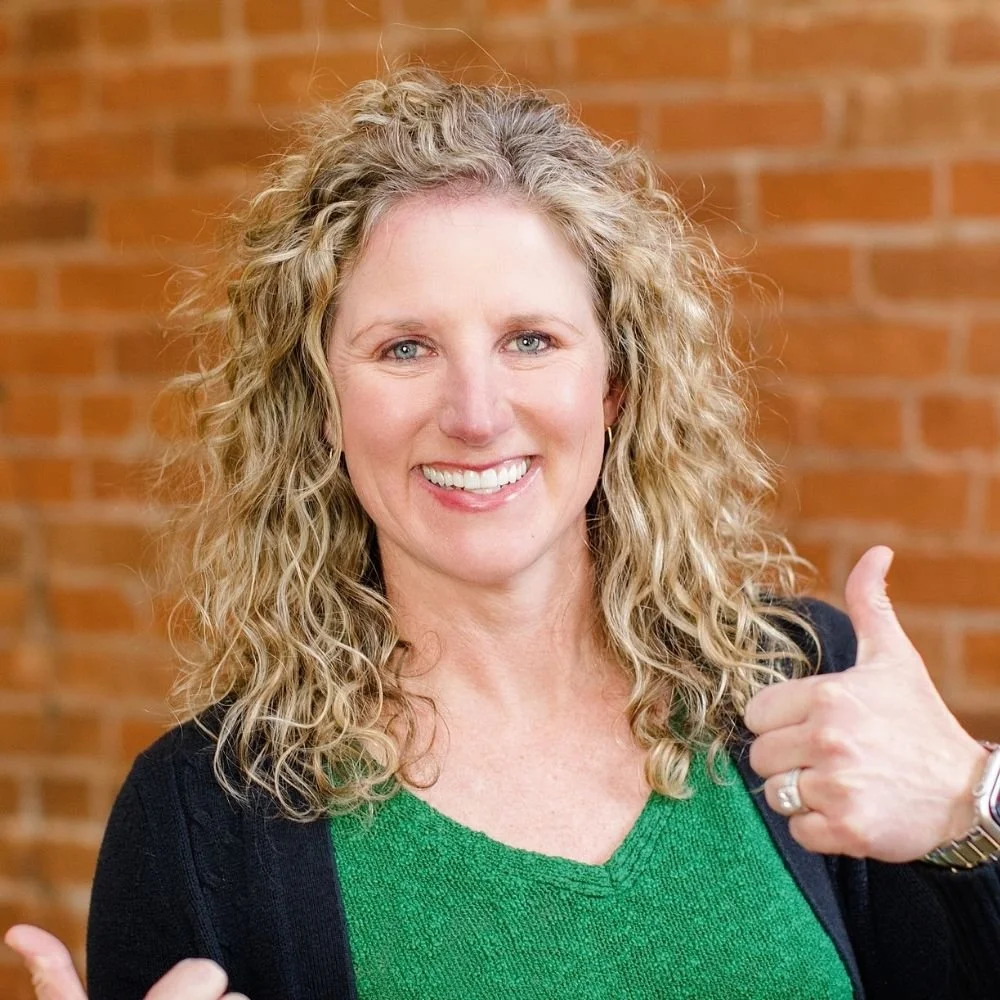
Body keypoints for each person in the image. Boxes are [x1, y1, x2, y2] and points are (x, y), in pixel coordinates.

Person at [6, 66, 1000, 1000]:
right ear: (322, 404)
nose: (475, 412)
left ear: (612, 384)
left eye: (530, 339)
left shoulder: (805, 692)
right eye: (405, 348)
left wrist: (975, 803)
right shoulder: (203, 819)